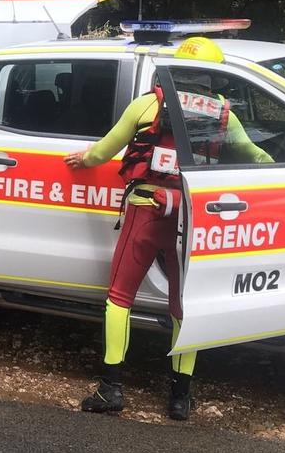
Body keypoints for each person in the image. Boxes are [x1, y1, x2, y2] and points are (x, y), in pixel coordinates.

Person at [63, 37, 272, 420]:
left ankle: (111, 389)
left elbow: (104, 150)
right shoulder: (225, 116)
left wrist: (83, 158)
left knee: (119, 298)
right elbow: (255, 156)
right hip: (191, 220)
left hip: (147, 211)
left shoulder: (148, 104)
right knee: (183, 307)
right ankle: (180, 398)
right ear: (212, 77)